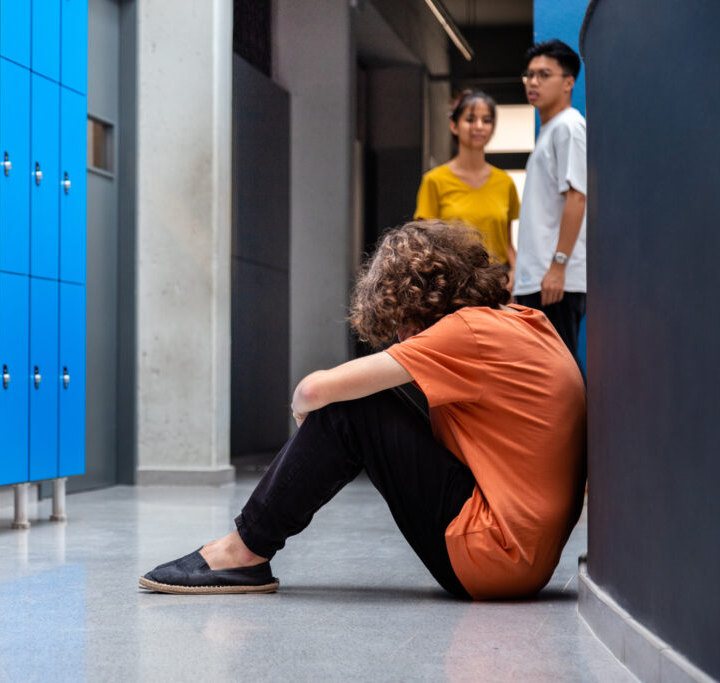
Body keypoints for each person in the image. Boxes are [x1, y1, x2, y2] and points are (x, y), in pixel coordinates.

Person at [139, 220, 587, 600]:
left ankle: (243, 551)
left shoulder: (464, 332)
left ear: (420, 303)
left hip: (493, 557)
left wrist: (312, 419)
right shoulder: (523, 322)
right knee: (370, 400)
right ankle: (246, 546)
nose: (402, 336)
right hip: (529, 557)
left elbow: (312, 392)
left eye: (399, 323)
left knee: (351, 409)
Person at [513, 39, 587, 357]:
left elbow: (578, 197)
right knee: (546, 375)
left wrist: (558, 267)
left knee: (560, 374)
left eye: (544, 74)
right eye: (529, 75)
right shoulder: (550, 131)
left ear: (568, 82)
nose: (533, 82)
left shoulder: (569, 127)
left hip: (555, 281)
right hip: (539, 279)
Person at [415, 90, 520, 287]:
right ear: (454, 125)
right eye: (470, 119)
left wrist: (514, 273)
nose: (479, 126)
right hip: (451, 286)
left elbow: (507, 244)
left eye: (487, 120)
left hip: (496, 285)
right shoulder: (434, 181)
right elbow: (423, 245)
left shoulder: (505, 182)